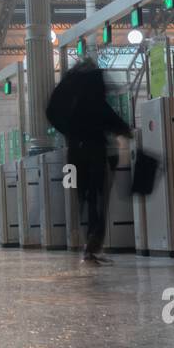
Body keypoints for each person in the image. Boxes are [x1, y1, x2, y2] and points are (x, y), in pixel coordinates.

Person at [46, 59, 133, 265]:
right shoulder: (92, 83)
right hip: (95, 149)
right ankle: (93, 246)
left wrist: (70, 132)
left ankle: (86, 243)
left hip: (74, 150)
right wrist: (123, 129)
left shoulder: (66, 87)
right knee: (98, 197)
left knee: (83, 196)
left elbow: (51, 112)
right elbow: (102, 111)